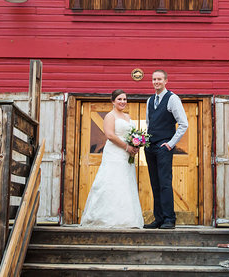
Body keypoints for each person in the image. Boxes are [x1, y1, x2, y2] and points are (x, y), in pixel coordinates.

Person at [79, 89, 144, 228]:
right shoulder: (110, 116)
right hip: (115, 153)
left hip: (127, 156)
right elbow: (110, 135)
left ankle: (127, 219)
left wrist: (136, 144)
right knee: (112, 181)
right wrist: (127, 147)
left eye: (125, 99)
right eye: (119, 99)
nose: (122, 102)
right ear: (113, 101)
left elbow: (132, 134)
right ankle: (104, 218)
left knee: (126, 183)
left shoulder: (128, 117)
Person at [143, 69, 188, 229]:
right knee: (155, 183)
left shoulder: (172, 99)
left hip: (164, 147)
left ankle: (169, 219)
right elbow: (149, 123)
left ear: (166, 81)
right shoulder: (150, 100)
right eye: (154, 79)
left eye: (159, 79)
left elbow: (183, 124)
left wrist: (170, 144)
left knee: (165, 183)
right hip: (150, 147)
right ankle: (159, 219)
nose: (156, 82)